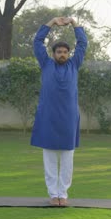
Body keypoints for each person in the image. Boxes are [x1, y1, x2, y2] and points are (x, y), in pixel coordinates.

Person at [30, 17, 88, 206]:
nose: (62, 54)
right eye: (59, 52)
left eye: (65, 52)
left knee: (67, 161)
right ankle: (53, 194)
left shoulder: (74, 65)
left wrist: (73, 22)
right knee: (50, 161)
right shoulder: (46, 64)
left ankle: (63, 194)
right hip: (48, 118)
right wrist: (52, 22)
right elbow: (37, 42)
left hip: (69, 119)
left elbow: (83, 43)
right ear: (53, 53)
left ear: (69, 54)